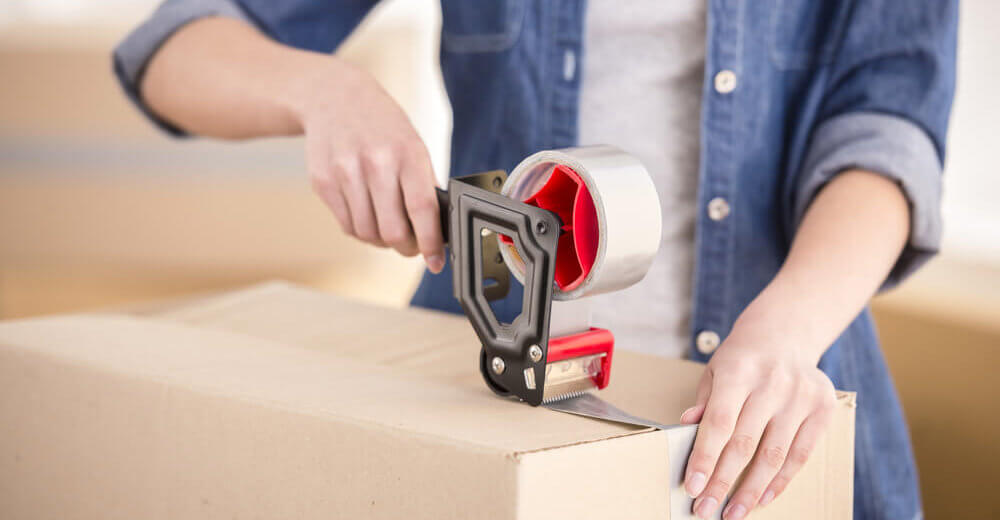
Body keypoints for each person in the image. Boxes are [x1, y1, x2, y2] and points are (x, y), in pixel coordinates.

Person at [113, 2, 956, 519]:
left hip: (766, 406)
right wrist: (325, 90)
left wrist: (783, 333)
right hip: (483, 410)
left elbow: (886, 129)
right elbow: (169, 48)